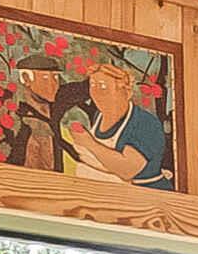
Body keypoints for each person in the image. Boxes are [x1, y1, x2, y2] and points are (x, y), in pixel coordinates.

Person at [52, 52, 174, 189]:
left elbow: (128, 170)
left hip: (143, 194)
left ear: (125, 91)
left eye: (102, 86)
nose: (95, 92)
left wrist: (90, 144)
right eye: (92, 85)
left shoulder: (144, 123)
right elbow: (104, 163)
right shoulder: (99, 117)